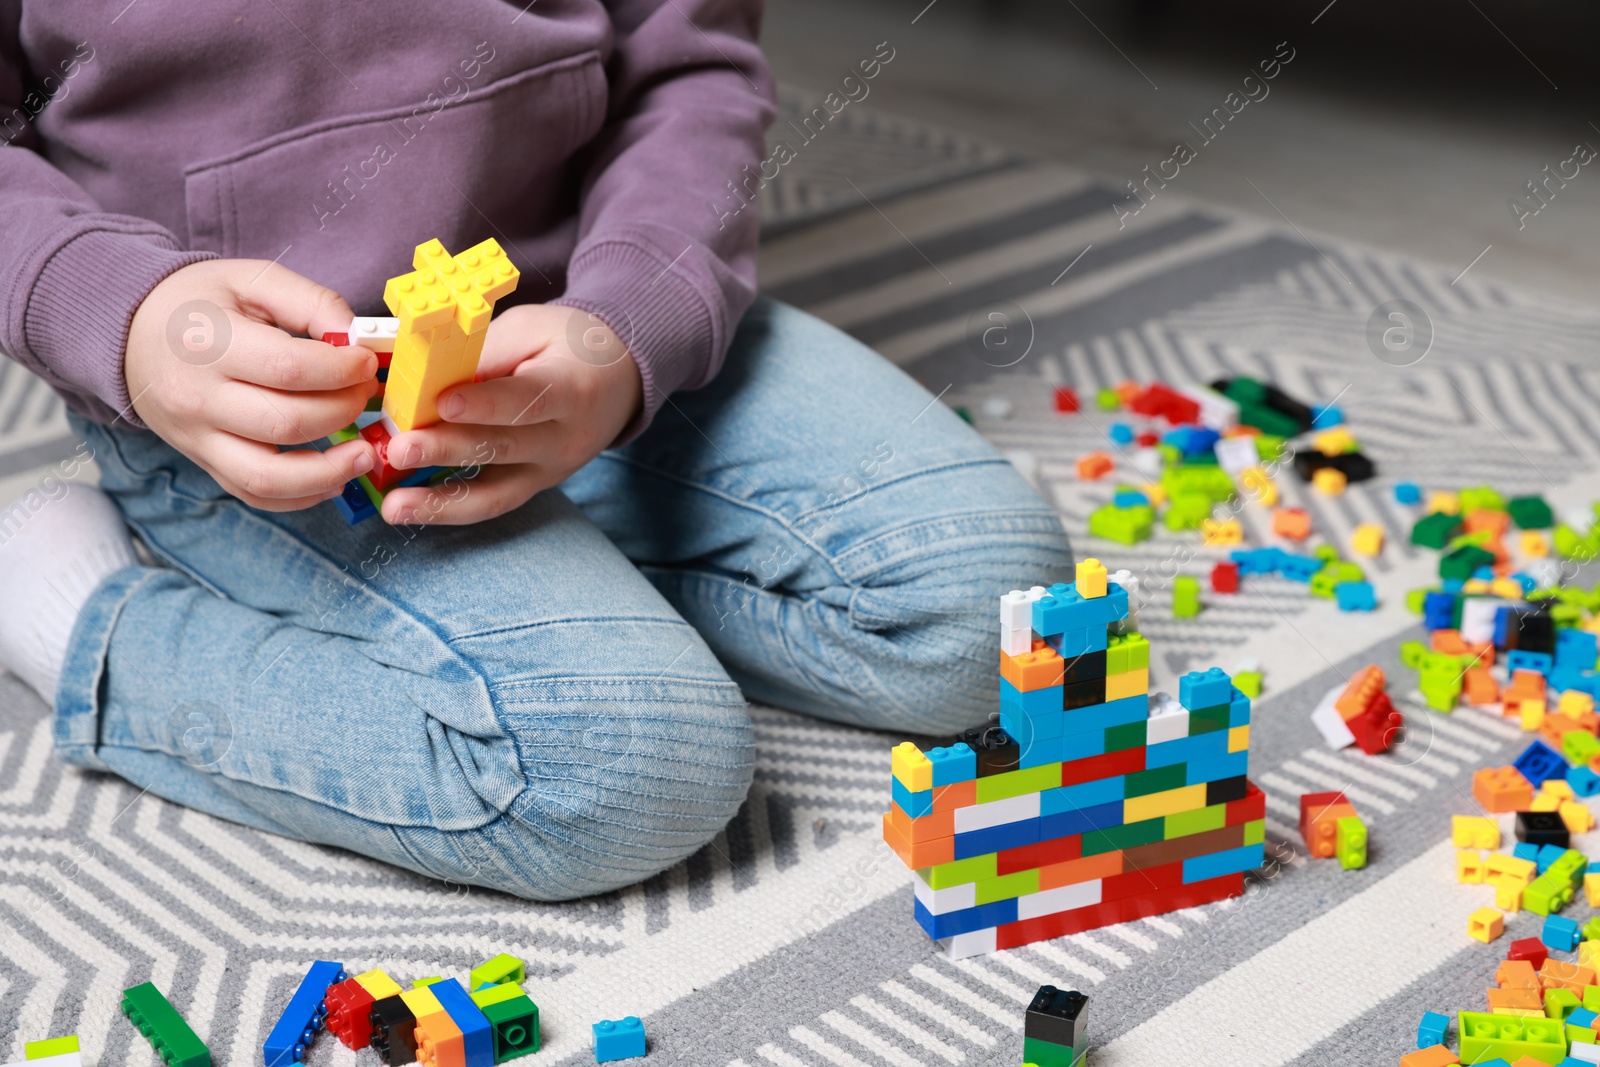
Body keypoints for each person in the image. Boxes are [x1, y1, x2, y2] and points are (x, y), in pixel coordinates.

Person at [0, 1, 1072, 900]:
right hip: (259, 396)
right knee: (622, 765)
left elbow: (691, 68)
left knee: (992, 613)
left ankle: (583, 550)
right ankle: (85, 616)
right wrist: (123, 313)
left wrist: (630, 318)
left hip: (584, 310)